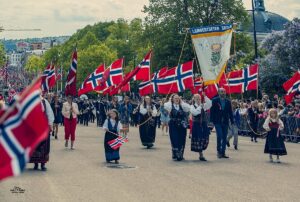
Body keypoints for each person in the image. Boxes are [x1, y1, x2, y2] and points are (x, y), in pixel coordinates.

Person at [30, 95, 54, 171]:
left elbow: (49, 113)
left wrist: (50, 124)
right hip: (34, 127)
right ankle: (36, 163)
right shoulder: (31, 103)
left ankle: (43, 164)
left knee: (45, 145)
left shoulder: (44, 102)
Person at [165, 94, 190, 161]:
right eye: (175, 98)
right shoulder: (170, 106)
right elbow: (166, 105)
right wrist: (170, 99)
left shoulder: (182, 106)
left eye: (178, 98)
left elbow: (188, 108)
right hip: (173, 124)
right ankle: (176, 154)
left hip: (182, 125)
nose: (177, 99)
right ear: (172, 99)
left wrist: (182, 102)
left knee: (182, 139)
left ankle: (180, 154)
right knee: (174, 138)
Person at [210, 88, 234, 159]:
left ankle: (223, 152)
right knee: (219, 136)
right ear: (219, 92)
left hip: (225, 121)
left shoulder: (228, 101)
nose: (223, 93)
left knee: (224, 137)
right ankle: (218, 151)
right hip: (217, 121)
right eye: (221, 91)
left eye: (224, 91)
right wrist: (211, 121)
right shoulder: (215, 100)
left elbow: (230, 112)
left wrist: (232, 121)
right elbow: (212, 111)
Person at [190, 94, 212, 161]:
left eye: (199, 98)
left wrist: (205, 96)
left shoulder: (203, 105)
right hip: (196, 124)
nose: (199, 100)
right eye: (197, 99)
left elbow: (210, 104)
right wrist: (200, 107)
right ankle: (201, 154)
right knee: (199, 139)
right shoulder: (192, 106)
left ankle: (201, 151)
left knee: (206, 137)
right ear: (194, 99)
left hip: (204, 124)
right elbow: (195, 113)